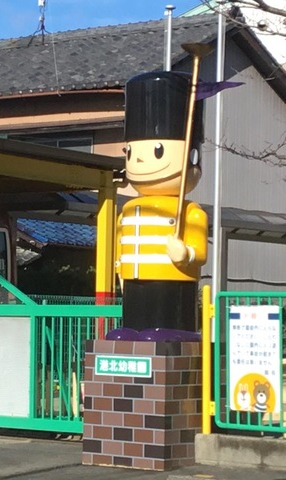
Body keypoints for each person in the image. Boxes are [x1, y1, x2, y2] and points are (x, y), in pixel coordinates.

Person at [115, 71, 208, 333]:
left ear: (193, 156)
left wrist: (186, 254)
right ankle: (131, 331)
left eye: (158, 151)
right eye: (130, 152)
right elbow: (120, 241)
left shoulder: (191, 211)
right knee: (134, 317)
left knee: (164, 314)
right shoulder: (127, 209)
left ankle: (170, 332)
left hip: (172, 280)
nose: (139, 159)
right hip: (132, 277)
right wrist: (119, 267)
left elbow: (200, 252)